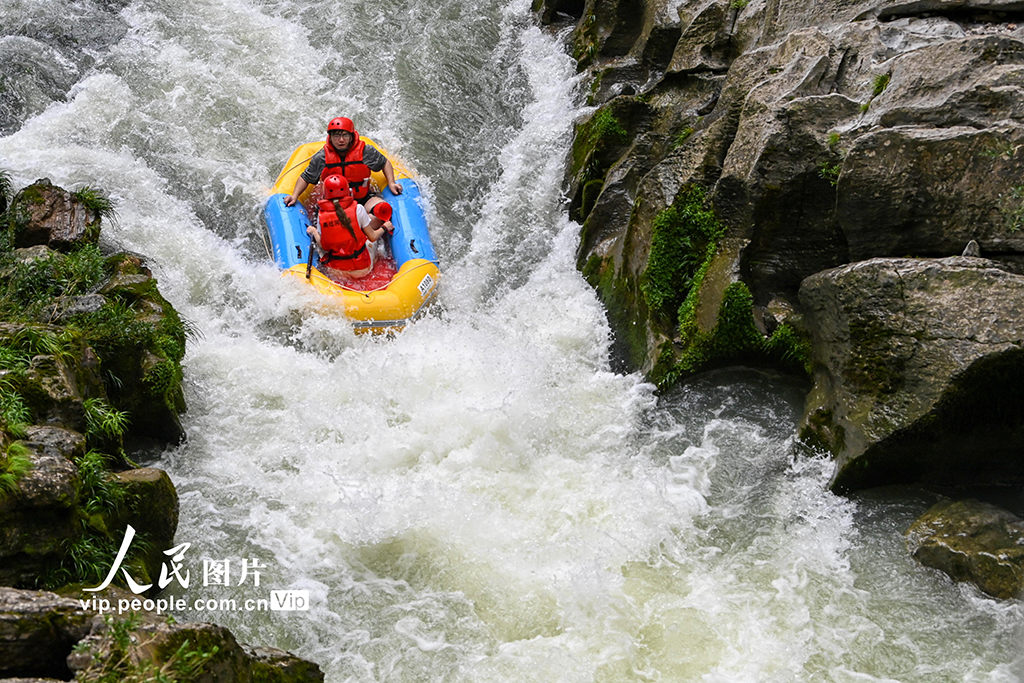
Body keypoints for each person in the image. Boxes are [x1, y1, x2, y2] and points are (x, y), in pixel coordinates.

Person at [283, 117, 403, 210]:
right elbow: (306, 177)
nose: (341, 140)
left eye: (345, 135)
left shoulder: (366, 151)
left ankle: (372, 236)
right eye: (337, 136)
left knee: (381, 210)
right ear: (330, 137)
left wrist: (391, 183)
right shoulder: (322, 157)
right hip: (333, 202)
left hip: (362, 198)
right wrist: (294, 196)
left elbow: (384, 163)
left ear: (351, 136)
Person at [307, 175, 388, 280]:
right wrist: (385, 227)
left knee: (321, 244)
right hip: (362, 270)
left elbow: (323, 245)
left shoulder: (321, 215)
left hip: (335, 271)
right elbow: (372, 236)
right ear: (348, 191)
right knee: (371, 240)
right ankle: (378, 257)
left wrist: (314, 231)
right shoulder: (358, 209)